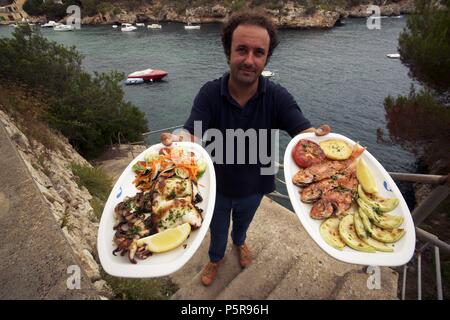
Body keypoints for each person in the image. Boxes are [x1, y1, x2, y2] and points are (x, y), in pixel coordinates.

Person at [161, 10, 330, 286]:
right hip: (216, 188)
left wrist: (319, 136)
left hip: (255, 186)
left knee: (242, 226)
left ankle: (240, 243)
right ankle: (216, 258)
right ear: (228, 51)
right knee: (216, 231)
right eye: (242, 50)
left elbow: (303, 133)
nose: (249, 60)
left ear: (266, 58)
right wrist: (176, 139)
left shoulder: (277, 96)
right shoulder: (210, 93)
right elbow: (190, 133)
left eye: (258, 52)